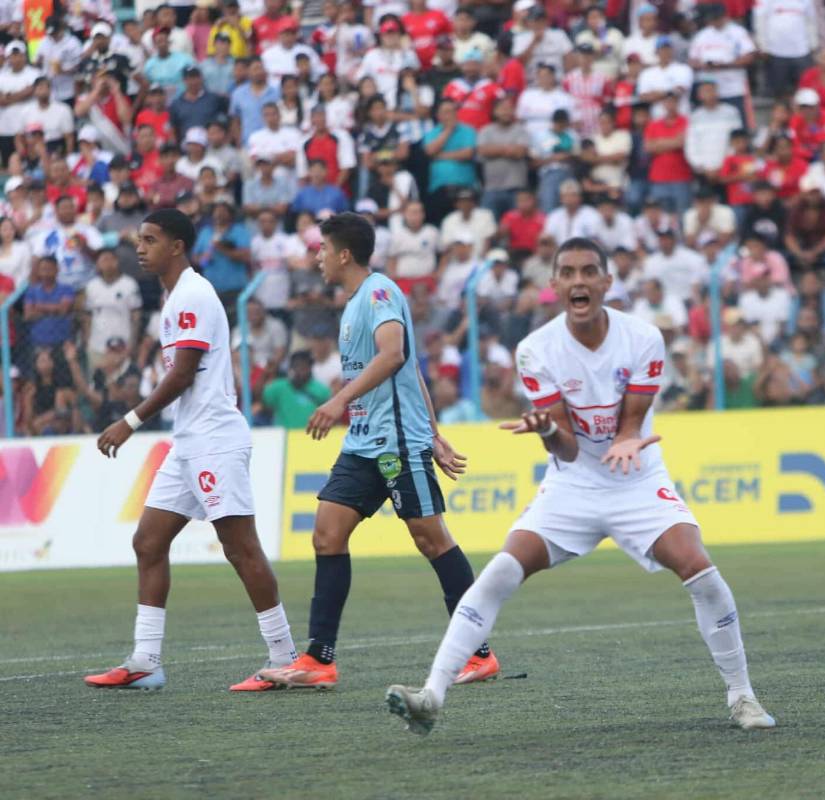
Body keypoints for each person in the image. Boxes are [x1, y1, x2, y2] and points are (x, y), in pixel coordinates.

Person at [385, 237, 775, 734]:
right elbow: (566, 448)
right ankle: (431, 697)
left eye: (589, 271)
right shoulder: (535, 350)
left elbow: (632, 424)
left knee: (701, 571)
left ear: (607, 282)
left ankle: (742, 697)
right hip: (573, 485)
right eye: (567, 272)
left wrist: (630, 440)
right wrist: (548, 430)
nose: (578, 281)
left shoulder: (643, 338)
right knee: (501, 571)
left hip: (636, 479)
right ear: (553, 285)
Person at [259, 213, 499, 689]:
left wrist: (342, 402)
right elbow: (408, 374)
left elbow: (395, 356)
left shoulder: (380, 292)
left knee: (432, 539)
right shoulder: (353, 304)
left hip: (396, 443)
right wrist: (434, 429)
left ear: (344, 253)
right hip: (364, 443)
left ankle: (480, 653)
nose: (318, 257)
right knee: (327, 533)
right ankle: (319, 660)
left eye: (323, 249)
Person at [85, 209, 297, 692]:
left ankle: (286, 657)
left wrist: (130, 421)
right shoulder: (177, 297)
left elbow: (182, 374)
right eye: (139, 239)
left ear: (177, 246)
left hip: (215, 442)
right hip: (190, 442)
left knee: (240, 548)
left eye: (151, 239)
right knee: (149, 541)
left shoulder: (193, 295)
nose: (140, 247)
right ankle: (145, 661)